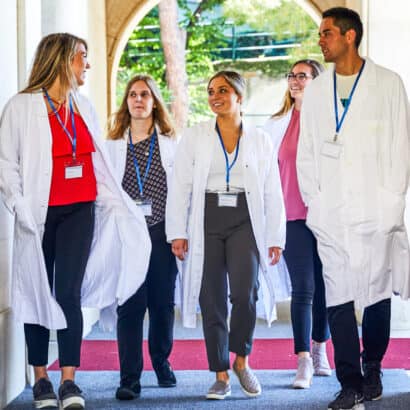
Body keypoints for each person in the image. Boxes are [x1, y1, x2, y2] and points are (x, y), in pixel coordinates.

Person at [0, 33, 151, 410]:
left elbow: (96, 161)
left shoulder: (82, 105)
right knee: (36, 289)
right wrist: (18, 206)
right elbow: (7, 163)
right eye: (83, 56)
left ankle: (68, 380)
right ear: (63, 59)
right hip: (38, 214)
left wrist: (117, 205)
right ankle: (40, 379)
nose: (88, 64)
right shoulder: (21, 107)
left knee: (69, 293)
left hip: (80, 211)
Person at [297, 7, 410, 410]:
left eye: (326, 33)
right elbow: (306, 151)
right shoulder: (315, 90)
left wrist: (392, 205)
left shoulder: (389, 84)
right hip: (331, 212)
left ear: (349, 36)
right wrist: (315, 200)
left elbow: (401, 149)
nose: (320, 40)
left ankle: (373, 365)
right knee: (339, 294)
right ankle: (349, 381)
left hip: (376, 208)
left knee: (377, 292)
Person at [166, 70, 286, 400]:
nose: (215, 96)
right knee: (212, 298)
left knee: (246, 292)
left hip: (246, 219)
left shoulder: (260, 139)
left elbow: (272, 189)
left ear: (239, 96)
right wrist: (177, 231)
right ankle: (220, 373)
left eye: (222, 90)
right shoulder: (196, 136)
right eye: (210, 91)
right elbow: (181, 185)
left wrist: (275, 236)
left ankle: (241, 361)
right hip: (206, 217)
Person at [106, 74, 178, 400]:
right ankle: (129, 378)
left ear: (154, 102)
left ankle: (161, 361)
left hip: (162, 232)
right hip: (128, 235)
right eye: (133, 95)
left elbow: (182, 192)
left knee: (162, 304)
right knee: (130, 305)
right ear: (126, 102)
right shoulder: (111, 147)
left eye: (145, 95)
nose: (138, 100)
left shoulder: (172, 143)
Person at [264, 59, 331, 390]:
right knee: (303, 288)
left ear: (318, 80)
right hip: (291, 217)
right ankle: (303, 359)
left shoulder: (331, 121)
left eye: (302, 75)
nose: (294, 80)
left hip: (327, 215)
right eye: (291, 75)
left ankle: (321, 348)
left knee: (327, 286)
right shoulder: (277, 124)